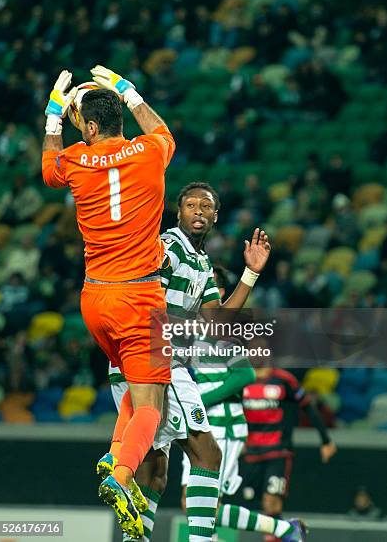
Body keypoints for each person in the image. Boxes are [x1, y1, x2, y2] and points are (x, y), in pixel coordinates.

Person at [100, 182, 307, 542]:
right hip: (156, 358)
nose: (198, 210)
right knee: (206, 454)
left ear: (215, 215)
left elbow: (218, 323)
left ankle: (137, 537)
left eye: (206, 206)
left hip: (138, 362)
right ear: (178, 213)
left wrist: (251, 273)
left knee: (155, 469)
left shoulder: (201, 262)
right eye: (191, 205)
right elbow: (139, 275)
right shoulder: (166, 246)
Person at [41, 66, 175, 539]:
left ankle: (113, 454)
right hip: (139, 295)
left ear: (90, 128)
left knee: (130, 386)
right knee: (152, 404)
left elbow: (47, 169)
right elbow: (161, 130)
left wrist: (55, 114)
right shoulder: (152, 152)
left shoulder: (76, 159)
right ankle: (121, 478)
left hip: (95, 299)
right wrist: (127, 89)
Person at [180, 266, 305, 541]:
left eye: (207, 282)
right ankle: (284, 529)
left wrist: (199, 400)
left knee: (205, 503)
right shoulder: (195, 328)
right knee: (193, 503)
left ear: (220, 292)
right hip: (203, 424)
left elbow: (245, 374)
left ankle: (284, 529)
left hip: (222, 426)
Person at [242, 363, 337, 542]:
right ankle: (290, 532)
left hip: (278, 451)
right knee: (255, 502)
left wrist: (325, 440)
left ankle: (276, 537)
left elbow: (307, 406)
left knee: (271, 501)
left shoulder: (284, 380)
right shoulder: (241, 378)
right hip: (251, 452)